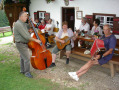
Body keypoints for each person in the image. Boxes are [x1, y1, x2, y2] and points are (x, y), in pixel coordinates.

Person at [14, 11, 41, 78]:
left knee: (22, 58)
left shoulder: (22, 23)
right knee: (26, 58)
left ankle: (22, 70)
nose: (26, 17)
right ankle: (27, 72)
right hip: (21, 44)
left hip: (22, 43)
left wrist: (30, 22)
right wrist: (36, 40)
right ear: (21, 17)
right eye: (25, 16)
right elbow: (26, 36)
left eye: (27, 16)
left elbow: (29, 26)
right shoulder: (18, 24)